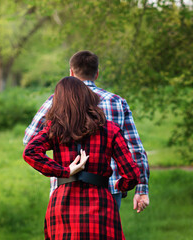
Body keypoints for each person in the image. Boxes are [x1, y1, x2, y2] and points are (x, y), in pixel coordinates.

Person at [23, 50, 149, 212]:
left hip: (65, 186)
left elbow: (30, 139)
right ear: (96, 74)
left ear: (71, 72)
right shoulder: (117, 102)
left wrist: (54, 167)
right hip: (108, 187)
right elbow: (136, 148)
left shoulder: (56, 100)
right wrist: (141, 189)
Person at [23, 77, 141, 240]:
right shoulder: (110, 130)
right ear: (89, 98)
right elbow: (133, 174)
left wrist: (64, 171)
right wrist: (121, 185)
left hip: (63, 205)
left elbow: (30, 152)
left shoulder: (55, 129)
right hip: (100, 205)